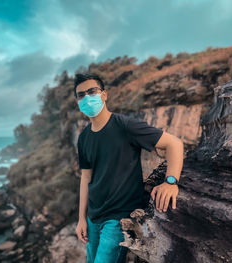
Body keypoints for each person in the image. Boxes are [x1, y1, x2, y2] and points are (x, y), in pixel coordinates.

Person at [74, 73, 184, 263]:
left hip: (118, 219)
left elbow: (174, 143)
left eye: (92, 91)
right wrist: (81, 219)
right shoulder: (84, 137)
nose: (87, 98)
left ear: (104, 95)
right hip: (93, 218)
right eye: (81, 95)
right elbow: (85, 178)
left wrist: (171, 181)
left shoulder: (124, 126)